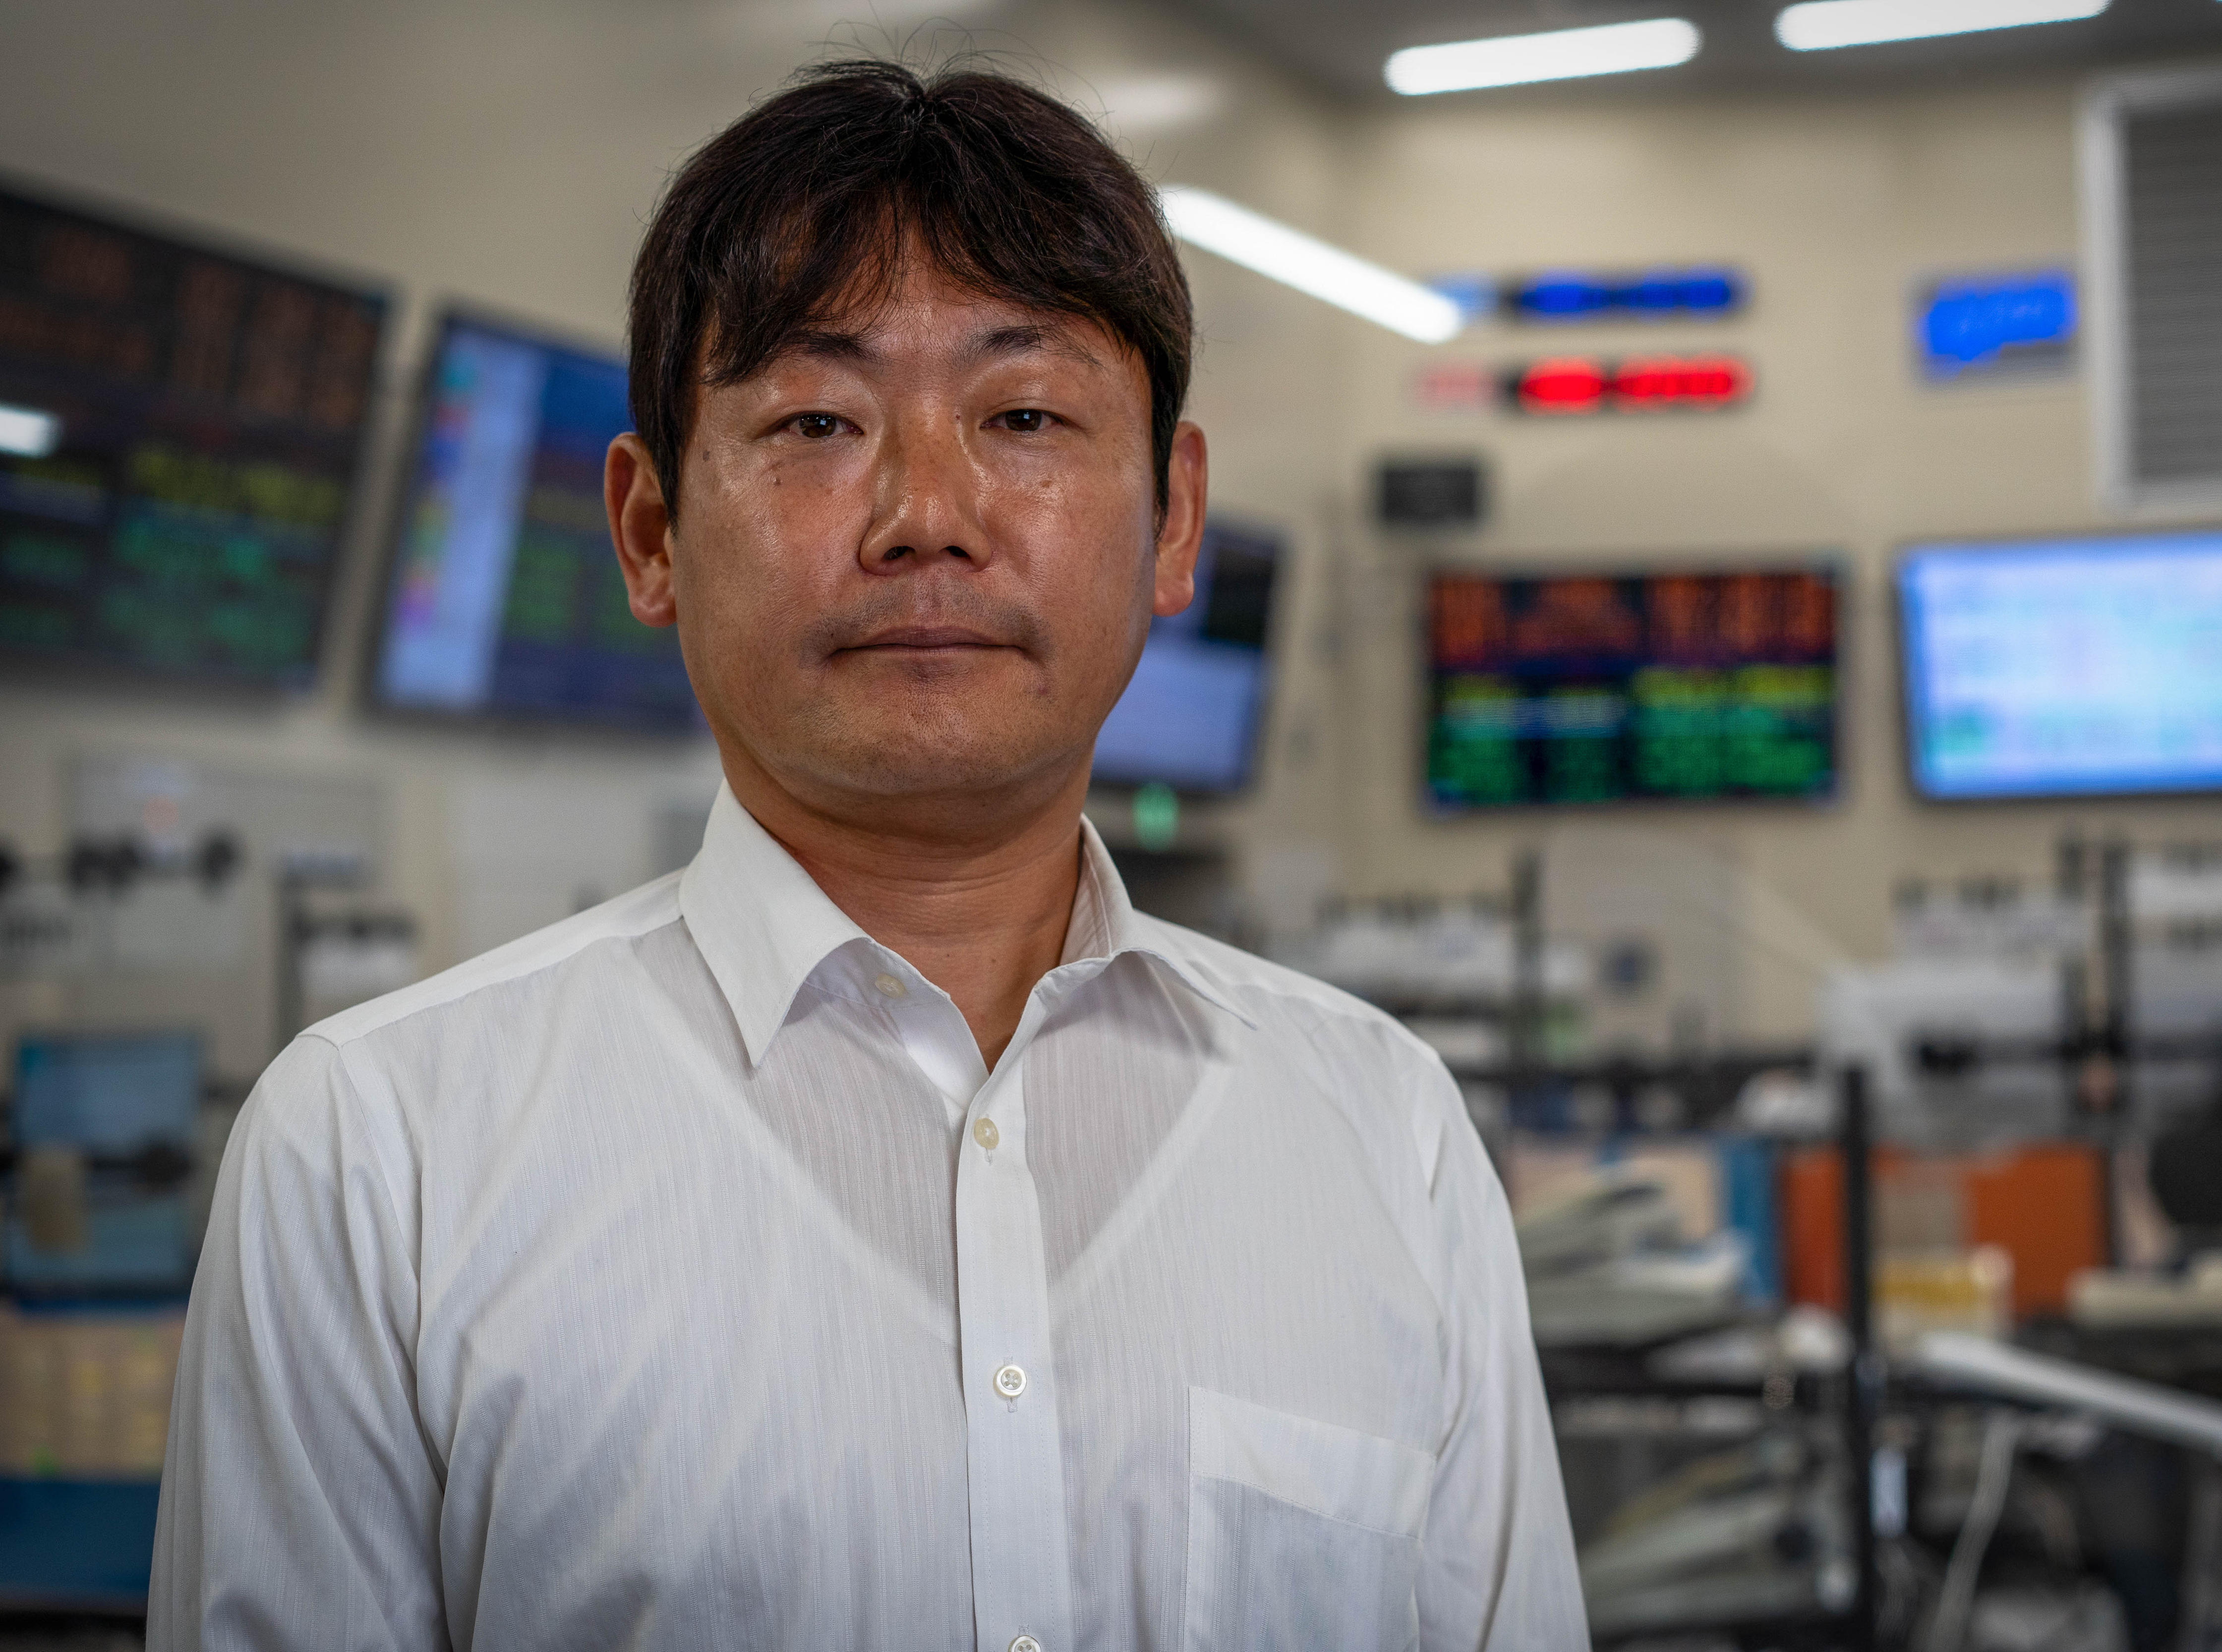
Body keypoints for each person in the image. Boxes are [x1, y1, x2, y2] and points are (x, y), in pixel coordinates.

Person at [150, 59, 1585, 1652]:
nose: (926, 512)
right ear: (648, 534)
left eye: (1025, 415)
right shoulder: (375, 1157)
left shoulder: (1385, 1137)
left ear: (1175, 523)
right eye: (817, 420)